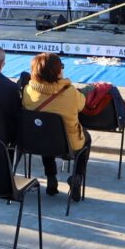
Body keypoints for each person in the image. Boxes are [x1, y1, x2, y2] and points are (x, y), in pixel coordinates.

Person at [21, 53, 90, 200]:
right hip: (68, 145)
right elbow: (82, 104)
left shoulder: (27, 90)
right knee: (86, 140)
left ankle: (51, 177)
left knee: (45, 130)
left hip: (36, 142)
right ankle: (77, 177)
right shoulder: (70, 92)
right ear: (58, 71)